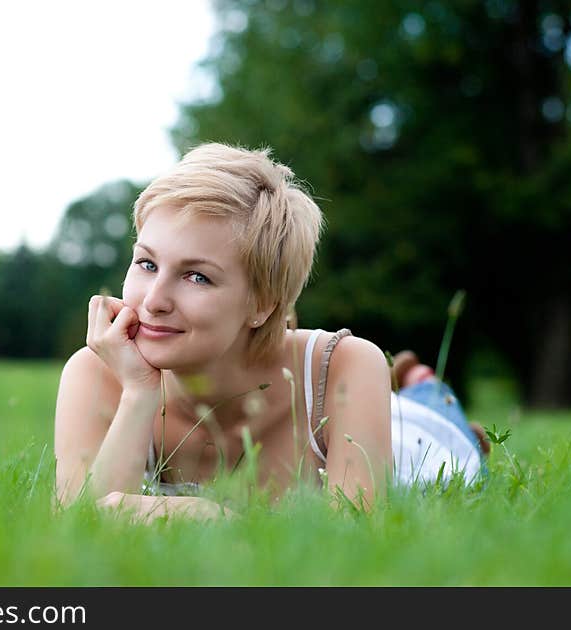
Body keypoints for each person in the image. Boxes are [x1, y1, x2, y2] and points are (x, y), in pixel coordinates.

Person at [54, 143, 488, 522]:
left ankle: (422, 385)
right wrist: (139, 393)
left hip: (416, 439)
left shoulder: (346, 365)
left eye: (197, 277)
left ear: (263, 303)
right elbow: (83, 532)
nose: (153, 301)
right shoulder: (100, 373)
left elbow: (357, 540)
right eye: (147, 264)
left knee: (431, 408)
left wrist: (220, 521)